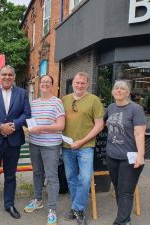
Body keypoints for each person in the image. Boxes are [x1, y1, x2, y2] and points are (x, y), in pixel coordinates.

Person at [0, 65, 31, 222]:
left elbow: (27, 113)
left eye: (10, 74)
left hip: (13, 140)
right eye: (4, 74)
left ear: (14, 77)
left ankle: (9, 204)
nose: (7, 77)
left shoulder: (22, 93)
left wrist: (13, 126)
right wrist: (0, 126)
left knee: (10, 176)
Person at [62, 72, 104, 225]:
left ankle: (78, 208)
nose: (79, 85)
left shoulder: (94, 100)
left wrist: (82, 141)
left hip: (85, 146)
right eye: (77, 82)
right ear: (72, 83)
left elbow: (99, 125)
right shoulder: (64, 100)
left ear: (87, 84)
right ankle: (76, 208)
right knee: (71, 178)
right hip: (67, 146)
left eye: (83, 83)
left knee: (85, 178)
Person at [23, 75, 65, 225]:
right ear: (39, 84)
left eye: (48, 82)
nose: (45, 84)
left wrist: (42, 127)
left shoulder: (57, 102)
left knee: (52, 177)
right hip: (34, 143)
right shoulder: (33, 103)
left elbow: (61, 125)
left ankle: (52, 209)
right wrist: (29, 129)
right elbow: (30, 123)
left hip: (51, 145)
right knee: (37, 173)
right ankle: (38, 200)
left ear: (52, 85)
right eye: (43, 81)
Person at [105, 80, 146, 225]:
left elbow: (140, 133)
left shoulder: (136, 109)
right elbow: (102, 124)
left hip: (130, 158)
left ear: (128, 93)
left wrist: (140, 156)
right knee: (118, 189)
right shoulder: (110, 108)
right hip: (112, 156)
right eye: (116, 88)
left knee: (126, 192)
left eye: (123, 89)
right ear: (112, 91)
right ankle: (126, 219)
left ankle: (121, 222)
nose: (119, 90)